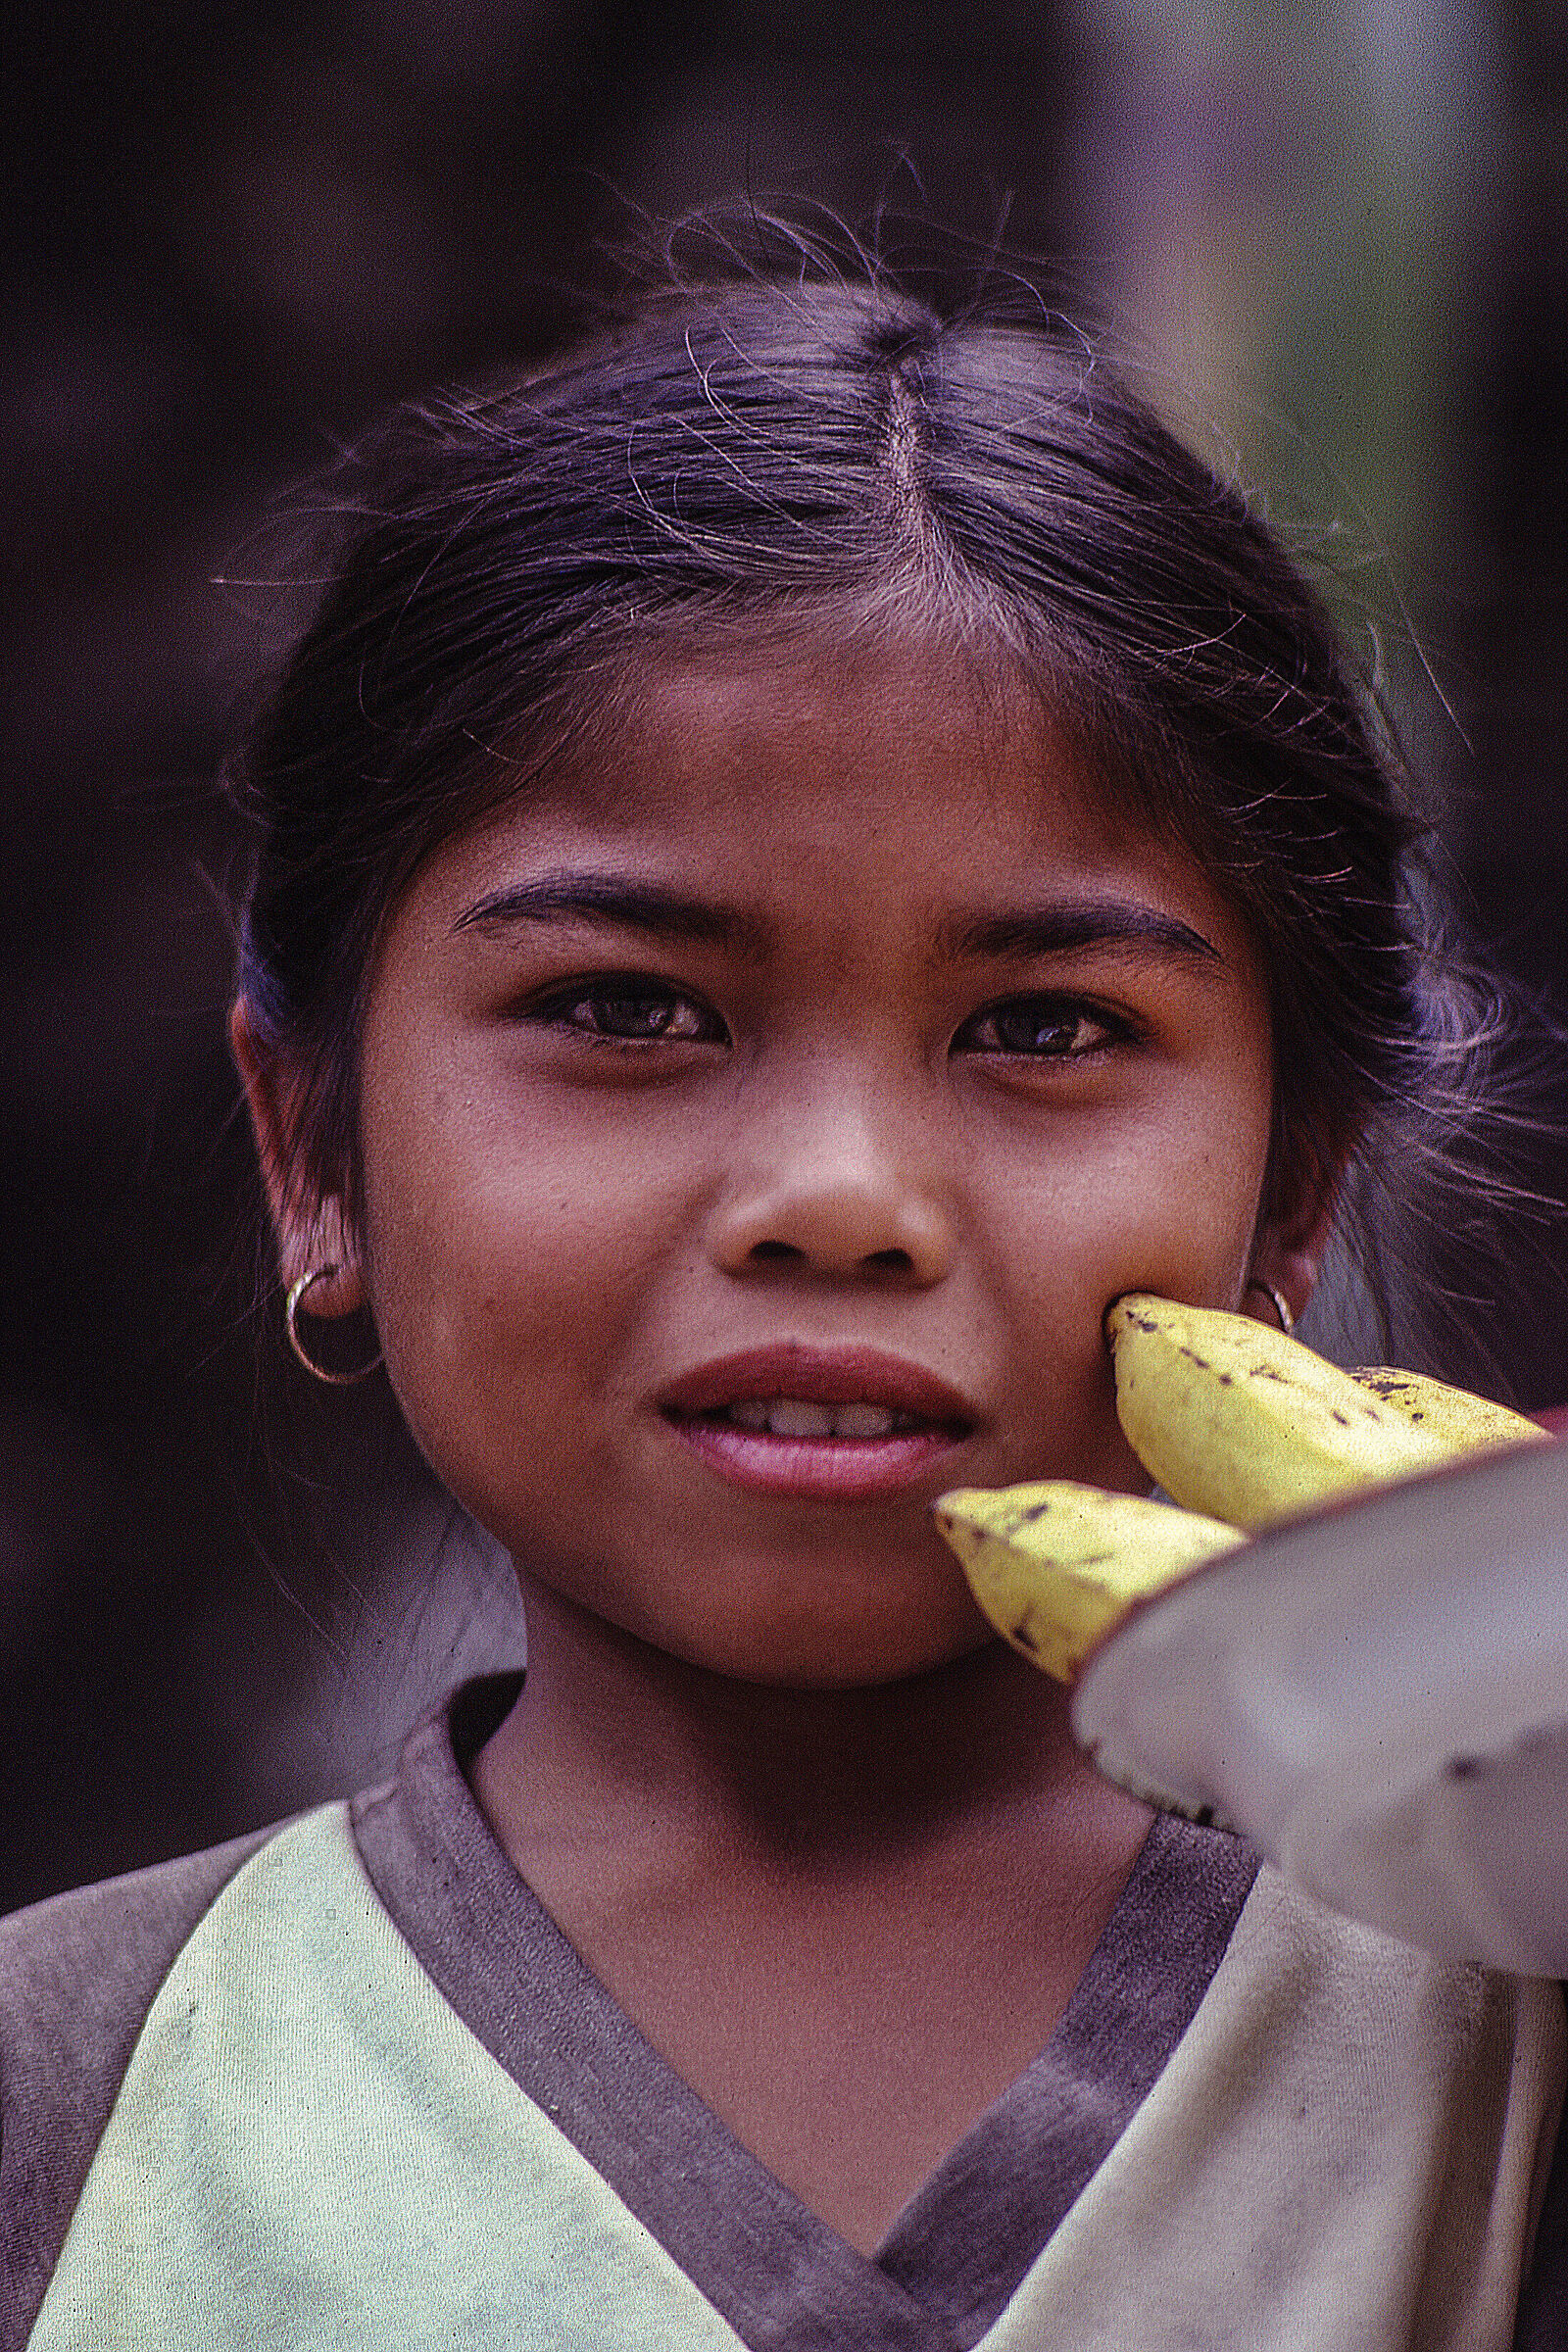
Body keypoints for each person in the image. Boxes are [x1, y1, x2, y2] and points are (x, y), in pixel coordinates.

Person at [2, 260, 1563, 2350]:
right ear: (311, 1148)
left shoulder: (1508, 2042)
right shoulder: (68, 2108)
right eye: (623, 1007)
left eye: (1040, 1026)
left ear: (1293, 1182)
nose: (840, 1201)